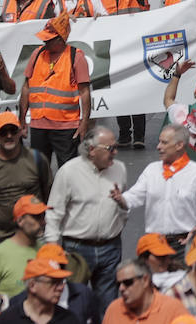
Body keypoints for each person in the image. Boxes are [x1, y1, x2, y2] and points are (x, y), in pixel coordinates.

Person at [44, 126, 127, 308]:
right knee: (73, 305)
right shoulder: (68, 172)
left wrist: (122, 213)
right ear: (91, 150)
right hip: (76, 249)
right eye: (110, 148)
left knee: (108, 305)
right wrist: (52, 249)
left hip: (110, 248)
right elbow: (53, 213)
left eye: (116, 146)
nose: (115, 152)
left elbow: (124, 205)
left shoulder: (119, 169)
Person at [114, 125, 196, 257]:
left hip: (184, 245)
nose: (158, 147)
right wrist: (120, 199)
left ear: (179, 145)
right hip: (155, 245)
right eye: (159, 142)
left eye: (164, 142)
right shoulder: (152, 170)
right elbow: (133, 197)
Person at [18, 15, 92, 166]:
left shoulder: (75, 57)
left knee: (67, 170)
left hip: (66, 126)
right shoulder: (37, 54)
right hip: (38, 125)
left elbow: (85, 92)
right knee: (38, 170)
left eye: (49, 39)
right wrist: (22, 118)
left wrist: (84, 123)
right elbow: (26, 87)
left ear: (61, 38)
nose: (45, 42)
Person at [0, 111, 52, 244]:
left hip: (35, 236)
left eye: (13, 130)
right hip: (1, 238)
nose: (9, 135)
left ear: (21, 131)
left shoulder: (37, 159)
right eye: (3, 132)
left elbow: (48, 194)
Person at [101, 257, 187, 324]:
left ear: (145, 280)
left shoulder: (173, 309)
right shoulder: (113, 310)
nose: (121, 288)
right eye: (118, 284)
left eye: (128, 282)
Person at [0, 257, 79, 324]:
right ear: (32, 285)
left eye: (61, 282)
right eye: (53, 282)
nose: (61, 288)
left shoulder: (69, 319)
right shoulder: (7, 320)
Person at [0, 196, 48, 298]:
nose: (43, 222)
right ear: (20, 221)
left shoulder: (45, 251)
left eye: (43, 216)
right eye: (37, 217)